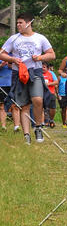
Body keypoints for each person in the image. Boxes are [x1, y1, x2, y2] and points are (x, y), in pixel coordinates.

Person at [0, 12, 55, 144]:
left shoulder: (40, 38)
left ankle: (37, 127)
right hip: (18, 73)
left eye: (20, 23)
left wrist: (40, 58)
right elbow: (2, 54)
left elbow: (52, 55)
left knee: (37, 99)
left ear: (29, 23)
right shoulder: (13, 38)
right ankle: (26, 135)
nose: (18, 25)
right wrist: (12, 59)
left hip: (35, 72)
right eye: (17, 22)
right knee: (23, 105)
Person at [42, 61, 58, 128]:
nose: (42, 68)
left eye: (44, 67)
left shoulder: (51, 73)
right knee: (41, 108)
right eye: (41, 67)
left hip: (51, 93)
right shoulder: (38, 74)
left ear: (47, 68)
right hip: (41, 93)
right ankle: (42, 122)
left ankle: (51, 120)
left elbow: (56, 82)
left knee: (52, 108)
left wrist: (49, 84)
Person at [0, 59, 12, 131]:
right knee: (2, 105)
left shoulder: (15, 55)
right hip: (2, 84)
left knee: (15, 105)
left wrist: (11, 65)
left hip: (13, 84)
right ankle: (3, 126)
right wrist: (2, 65)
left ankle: (17, 126)